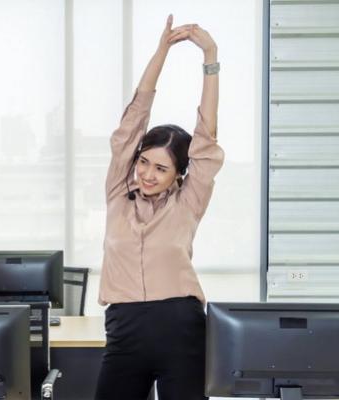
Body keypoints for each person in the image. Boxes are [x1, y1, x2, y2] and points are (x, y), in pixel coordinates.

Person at [95, 15, 224, 400]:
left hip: (180, 328)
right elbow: (133, 119)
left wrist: (210, 57)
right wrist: (162, 51)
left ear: (179, 174)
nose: (149, 174)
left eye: (162, 167)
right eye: (144, 162)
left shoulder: (189, 202)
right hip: (125, 326)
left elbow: (206, 135)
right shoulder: (119, 192)